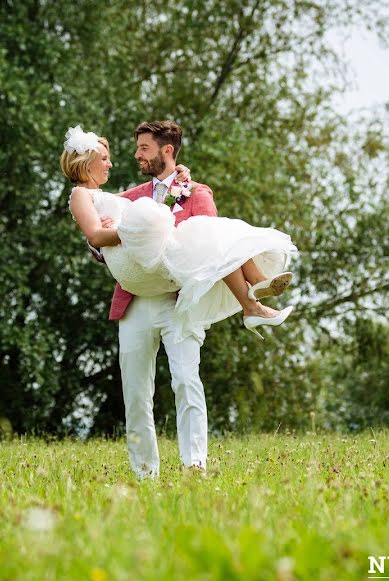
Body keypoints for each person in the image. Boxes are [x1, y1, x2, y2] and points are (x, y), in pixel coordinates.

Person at [62, 121, 298, 477]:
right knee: (136, 391)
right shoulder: (129, 195)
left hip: (179, 300)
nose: (135, 155)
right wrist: (110, 240)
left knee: (187, 380)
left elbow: (213, 248)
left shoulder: (197, 192)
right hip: (135, 301)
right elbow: (100, 236)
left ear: (167, 151)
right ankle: (144, 474)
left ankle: (194, 465)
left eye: (143, 148)